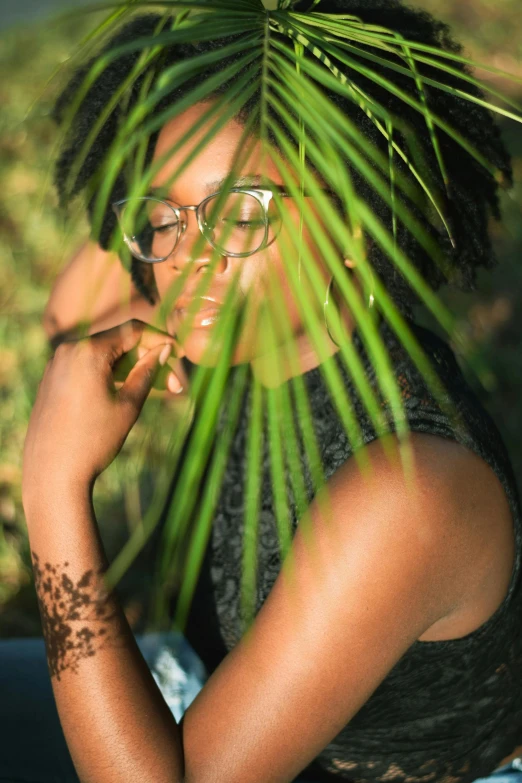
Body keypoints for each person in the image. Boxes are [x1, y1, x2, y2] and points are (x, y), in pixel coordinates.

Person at [8, 1, 522, 781]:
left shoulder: (408, 493)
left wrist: (53, 490)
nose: (190, 263)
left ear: (354, 227)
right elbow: (72, 314)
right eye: (166, 218)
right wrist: (187, 117)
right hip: (206, 698)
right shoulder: (276, 310)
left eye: (244, 212)